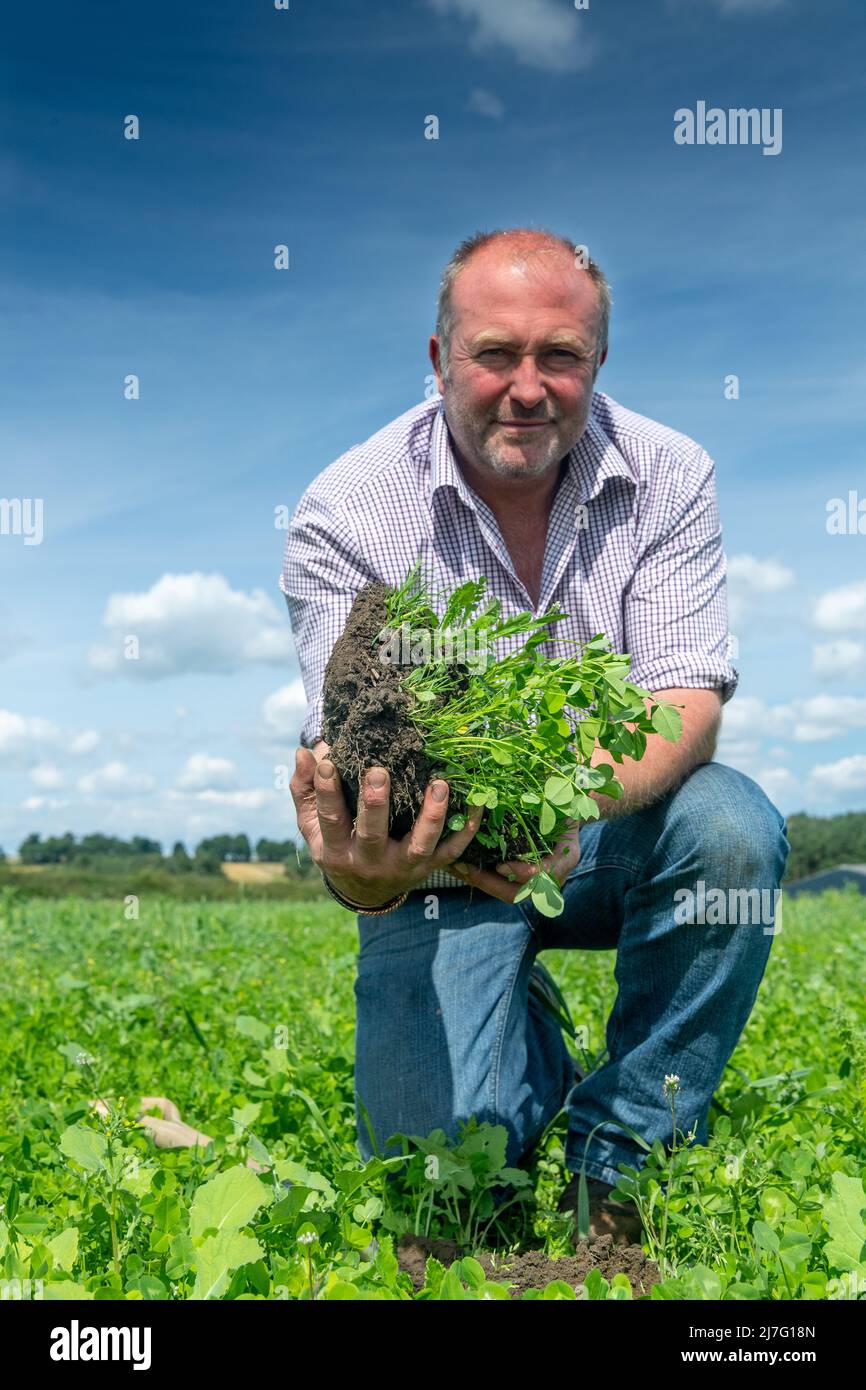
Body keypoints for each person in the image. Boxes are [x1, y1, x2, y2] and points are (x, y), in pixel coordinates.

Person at [282, 228, 789, 1247]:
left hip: (605, 825)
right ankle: (536, 1058)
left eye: (558, 355)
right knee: (438, 1183)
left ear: (595, 363)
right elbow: (357, 745)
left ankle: (620, 1156)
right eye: (493, 353)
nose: (526, 386)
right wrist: (367, 871)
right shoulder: (346, 509)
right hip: (443, 857)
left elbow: (682, 696)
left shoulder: (668, 472)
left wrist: (566, 801)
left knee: (729, 828)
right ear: (437, 360)